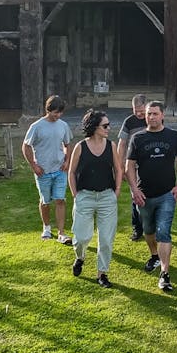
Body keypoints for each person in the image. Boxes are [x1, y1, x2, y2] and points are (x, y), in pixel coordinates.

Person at [125, 101, 177, 292]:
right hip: (144, 195)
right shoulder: (137, 138)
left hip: (166, 194)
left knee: (163, 232)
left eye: (154, 113)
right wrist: (135, 190)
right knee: (148, 231)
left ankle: (165, 274)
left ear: (162, 116)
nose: (150, 117)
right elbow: (129, 167)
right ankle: (154, 255)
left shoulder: (173, 136)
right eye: (148, 114)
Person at [68, 109, 122, 289]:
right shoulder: (80, 147)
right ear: (94, 127)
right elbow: (71, 172)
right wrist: (76, 195)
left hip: (107, 197)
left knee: (106, 239)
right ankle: (80, 257)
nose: (108, 128)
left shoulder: (111, 146)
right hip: (85, 196)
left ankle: (102, 273)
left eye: (108, 125)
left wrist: (117, 191)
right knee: (82, 237)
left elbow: (118, 169)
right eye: (105, 126)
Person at [21, 95, 73, 244]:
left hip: (60, 170)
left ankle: (62, 233)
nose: (58, 115)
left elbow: (68, 144)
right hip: (43, 171)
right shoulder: (36, 126)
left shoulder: (63, 125)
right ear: (48, 110)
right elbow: (25, 146)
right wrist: (33, 165)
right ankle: (47, 227)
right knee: (45, 201)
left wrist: (67, 161)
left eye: (60, 112)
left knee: (60, 200)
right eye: (55, 112)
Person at [116, 94, 148, 241]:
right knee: (135, 195)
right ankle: (137, 229)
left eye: (141, 110)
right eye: (136, 110)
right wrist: (120, 165)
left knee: (151, 194)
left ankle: (151, 225)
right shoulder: (129, 121)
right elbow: (122, 144)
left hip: (149, 162)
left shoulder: (152, 118)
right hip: (132, 163)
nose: (139, 114)